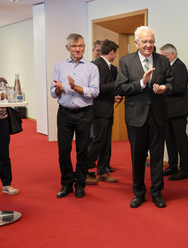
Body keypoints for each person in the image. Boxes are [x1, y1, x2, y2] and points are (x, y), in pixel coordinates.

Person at [115, 26, 175, 208]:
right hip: (136, 117)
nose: (148, 45)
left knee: (157, 157)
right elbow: (120, 88)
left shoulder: (163, 61)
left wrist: (165, 88)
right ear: (136, 43)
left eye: (151, 41)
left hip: (157, 117)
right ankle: (139, 193)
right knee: (137, 157)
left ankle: (156, 192)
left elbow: (172, 84)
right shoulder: (126, 61)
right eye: (145, 42)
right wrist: (142, 83)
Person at [50, 33, 100, 198]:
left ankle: (80, 184)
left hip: (84, 114)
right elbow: (53, 92)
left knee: (82, 151)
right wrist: (58, 89)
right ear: (67, 48)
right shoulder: (59, 66)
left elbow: (95, 92)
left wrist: (77, 88)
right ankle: (66, 184)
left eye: (81, 46)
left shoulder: (92, 68)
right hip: (64, 114)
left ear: (84, 47)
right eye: (74, 46)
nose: (78, 49)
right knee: (63, 150)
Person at [86, 39, 119, 184]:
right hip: (98, 111)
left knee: (106, 143)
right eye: (115, 53)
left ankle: (102, 172)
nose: (115, 55)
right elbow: (97, 89)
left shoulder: (109, 67)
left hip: (107, 109)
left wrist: (115, 94)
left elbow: (106, 88)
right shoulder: (97, 65)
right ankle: (83, 171)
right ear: (112, 53)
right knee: (98, 142)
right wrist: (117, 83)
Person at [159, 43, 188, 181]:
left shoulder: (180, 66)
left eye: (164, 56)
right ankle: (172, 166)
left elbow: (179, 87)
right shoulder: (167, 67)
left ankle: (184, 169)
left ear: (173, 54)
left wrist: (164, 88)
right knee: (170, 140)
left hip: (178, 110)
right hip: (167, 110)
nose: (162, 59)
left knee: (180, 141)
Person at [0, 77, 19, 196]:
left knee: (3, 153)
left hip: (2, 121)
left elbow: (8, 98)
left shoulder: (2, 81)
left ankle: (6, 184)